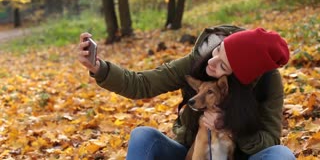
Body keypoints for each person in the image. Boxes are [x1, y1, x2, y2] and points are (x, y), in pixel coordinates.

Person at [77, 25, 295, 160]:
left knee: (281, 155)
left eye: (222, 66)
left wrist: (232, 127)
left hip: (241, 155)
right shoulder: (200, 59)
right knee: (143, 136)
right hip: (192, 152)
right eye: (219, 51)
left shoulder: (268, 82)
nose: (212, 62)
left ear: (238, 78)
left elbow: (271, 140)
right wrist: (98, 67)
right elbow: (142, 84)